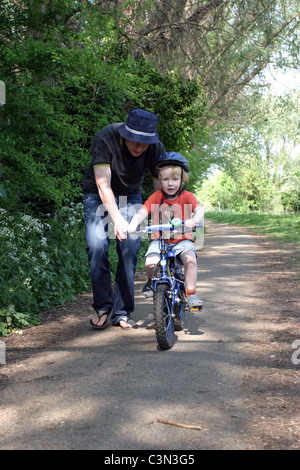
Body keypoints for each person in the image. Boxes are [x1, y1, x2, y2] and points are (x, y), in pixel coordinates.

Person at [83, 109, 165, 329]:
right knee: (97, 246)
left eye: (144, 143)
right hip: (97, 194)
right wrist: (117, 219)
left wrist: (159, 222)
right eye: (134, 141)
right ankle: (102, 307)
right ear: (125, 132)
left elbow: (159, 189)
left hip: (130, 197)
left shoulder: (155, 148)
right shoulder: (105, 138)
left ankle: (122, 312)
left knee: (129, 243)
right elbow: (103, 184)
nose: (138, 147)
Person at [128, 152, 204, 309]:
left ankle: (191, 294)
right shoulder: (156, 197)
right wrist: (133, 223)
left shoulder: (187, 196)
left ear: (183, 181)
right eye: (166, 179)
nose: (170, 184)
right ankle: (151, 281)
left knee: (190, 260)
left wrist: (195, 220)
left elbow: (199, 210)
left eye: (175, 179)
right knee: (150, 264)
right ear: (160, 180)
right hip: (159, 239)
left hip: (182, 239)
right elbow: (142, 211)